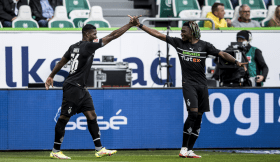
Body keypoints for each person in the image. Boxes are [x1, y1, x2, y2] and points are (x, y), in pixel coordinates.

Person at [132, 18, 247, 158]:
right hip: (188, 84)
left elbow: (222, 54)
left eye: (183, 31)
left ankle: (190, 149)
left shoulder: (204, 46)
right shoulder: (178, 43)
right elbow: (157, 34)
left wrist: (236, 62)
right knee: (192, 113)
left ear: (192, 32)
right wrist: (139, 25)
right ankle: (184, 148)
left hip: (202, 85)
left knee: (199, 117)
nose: (181, 33)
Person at [45, 15, 140, 159]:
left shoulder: (74, 47)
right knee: (64, 117)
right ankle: (55, 150)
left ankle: (99, 148)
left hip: (81, 88)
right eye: (94, 34)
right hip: (73, 87)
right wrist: (129, 25)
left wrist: (51, 76)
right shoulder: (89, 45)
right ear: (87, 34)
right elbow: (113, 35)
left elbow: (61, 63)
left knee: (92, 115)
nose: (96, 36)